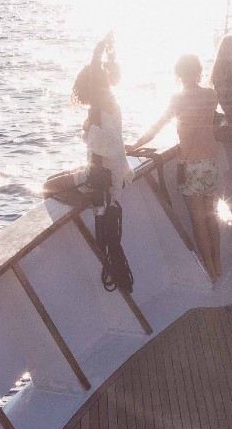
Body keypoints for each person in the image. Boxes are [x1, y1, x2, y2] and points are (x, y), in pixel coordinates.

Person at [133, 53, 223, 274]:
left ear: (178, 74)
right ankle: (218, 264)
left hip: (190, 164)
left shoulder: (177, 99)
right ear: (199, 71)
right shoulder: (211, 95)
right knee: (211, 216)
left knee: (198, 220)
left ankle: (209, 270)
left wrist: (135, 145)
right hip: (210, 161)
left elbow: (159, 125)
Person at [73, 35, 127, 197]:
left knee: (49, 186)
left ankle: (87, 207)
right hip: (113, 167)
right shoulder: (111, 102)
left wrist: (89, 127)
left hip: (105, 176)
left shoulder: (99, 107)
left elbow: (111, 139)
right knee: (58, 178)